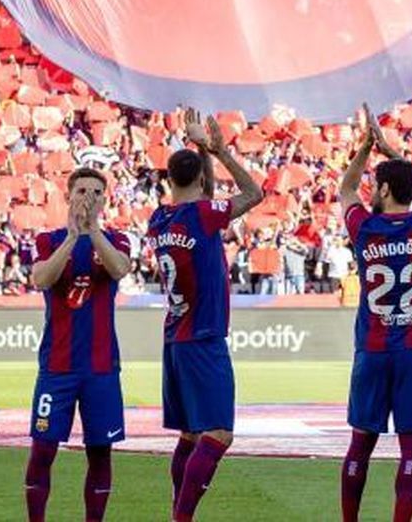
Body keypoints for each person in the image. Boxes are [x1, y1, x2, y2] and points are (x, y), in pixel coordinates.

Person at [146, 108, 265, 522]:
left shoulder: (158, 219)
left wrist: (200, 151)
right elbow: (254, 194)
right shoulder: (202, 215)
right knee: (218, 434)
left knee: (189, 435)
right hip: (203, 337)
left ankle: (176, 512)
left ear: (167, 180)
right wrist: (219, 150)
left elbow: (203, 195)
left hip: (175, 337)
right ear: (199, 179)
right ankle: (182, 518)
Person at [337, 108, 412, 522]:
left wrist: (366, 148)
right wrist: (394, 153)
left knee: (361, 442)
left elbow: (345, 190)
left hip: (374, 346)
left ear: (380, 189)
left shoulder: (365, 227)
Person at [24, 156, 135, 522]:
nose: (89, 197)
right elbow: (41, 279)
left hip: (101, 368)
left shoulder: (117, 239)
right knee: (43, 450)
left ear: (106, 200)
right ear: (68, 196)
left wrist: (93, 231)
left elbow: (119, 269)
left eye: (97, 193)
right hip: (56, 368)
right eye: (82, 191)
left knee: (100, 452)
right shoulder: (49, 239)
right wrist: (73, 236)